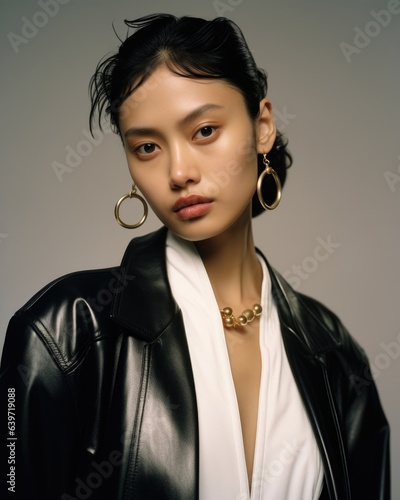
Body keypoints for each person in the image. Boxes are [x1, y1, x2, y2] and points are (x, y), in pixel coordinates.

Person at [0, 13, 389, 500]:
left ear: (262, 125)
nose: (179, 171)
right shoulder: (65, 333)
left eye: (204, 131)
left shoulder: (333, 354)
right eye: (146, 146)